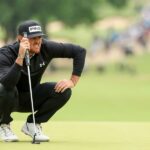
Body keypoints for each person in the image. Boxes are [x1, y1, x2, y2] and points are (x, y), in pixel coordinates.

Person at [0, 20, 86, 142]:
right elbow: (7, 84)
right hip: (7, 99)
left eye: (39, 37)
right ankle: (3, 125)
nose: (37, 41)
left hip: (30, 97)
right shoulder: (6, 54)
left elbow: (79, 51)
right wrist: (20, 57)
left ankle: (32, 124)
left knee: (64, 90)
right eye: (33, 38)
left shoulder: (46, 47)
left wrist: (73, 81)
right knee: (4, 87)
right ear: (20, 39)